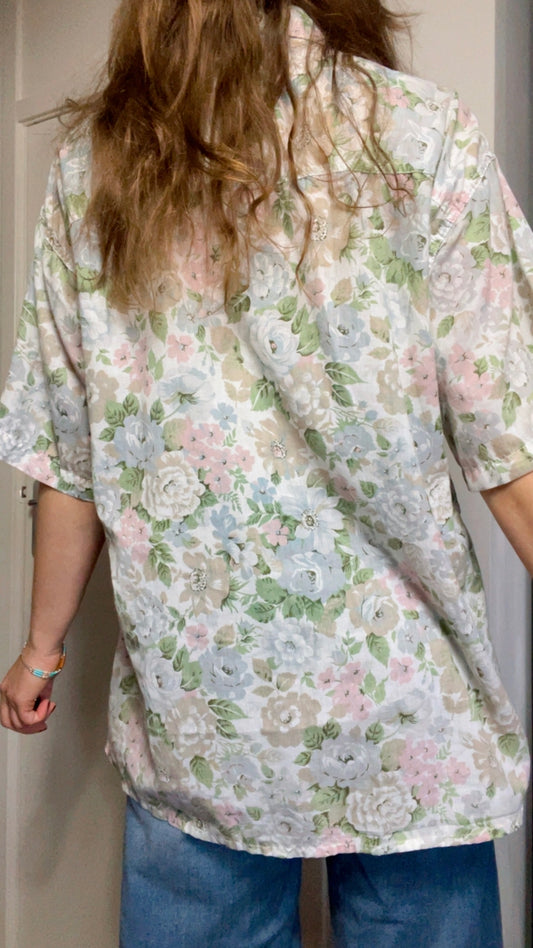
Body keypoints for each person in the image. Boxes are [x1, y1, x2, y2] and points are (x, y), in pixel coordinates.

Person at [0, 1, 532, 945]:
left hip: (203, 721)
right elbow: (511, 439)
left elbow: (72, 454)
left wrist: (42, 647)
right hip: (405, 710)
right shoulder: (416, 134)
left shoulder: (98, 168)